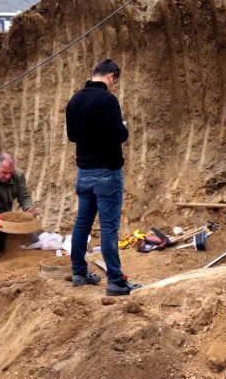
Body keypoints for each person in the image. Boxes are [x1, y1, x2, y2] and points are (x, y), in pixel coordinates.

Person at [65, 58, 141, 296]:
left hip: (84, 173)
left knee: (82, 223)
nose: (114, 86)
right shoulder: (108, 100)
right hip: (107, 173)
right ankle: (116, 281)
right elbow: (119, 134)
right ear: (111, 76)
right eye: (115, 81)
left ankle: (79, 272)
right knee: (109, 227)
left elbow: (72, 136)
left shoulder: (75, 100)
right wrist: (121, 127)